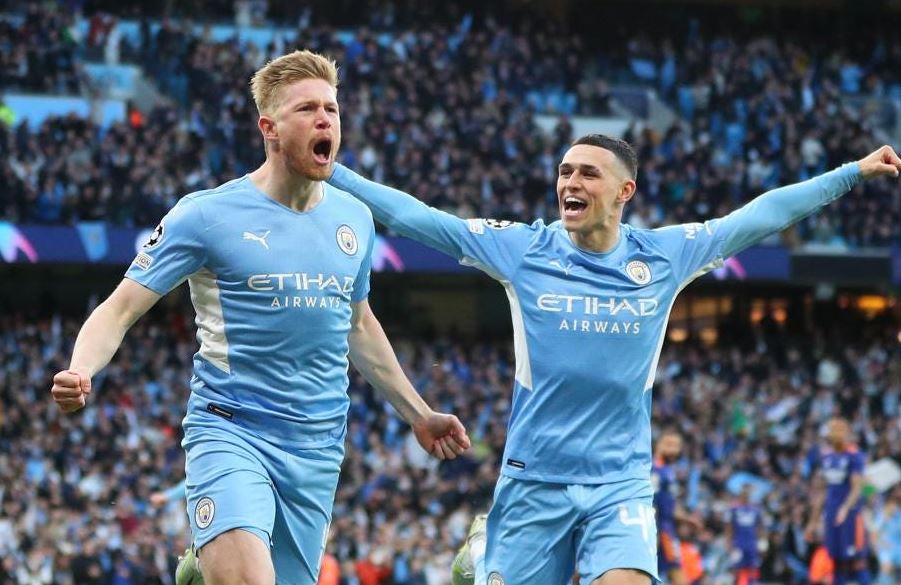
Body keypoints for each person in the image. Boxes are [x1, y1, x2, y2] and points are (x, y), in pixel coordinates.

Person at [327, 134, 901, 585]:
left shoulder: (664, 257)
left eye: (587, 173)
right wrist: (336, 173)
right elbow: (420, 219)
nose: (570, 183)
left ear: (625, 191)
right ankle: (486, 551)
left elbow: (761, 216)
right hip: (534, 480)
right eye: (564, 172)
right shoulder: (524, 248)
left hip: (619, 483)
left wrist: (851, 173)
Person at [50, 49, 470, 585]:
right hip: (231, 429)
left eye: (332, 109)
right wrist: (80, 369)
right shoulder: (206, 215)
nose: (325, 120)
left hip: (318, 446)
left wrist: (418, 413)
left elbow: (358, 324)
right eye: (307, 110)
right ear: (269, 128)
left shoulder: (355, 219)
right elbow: (119, 308)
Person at [806, 417, 872, 585]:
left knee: (857, 562)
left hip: (850, 516)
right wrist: (813, 521)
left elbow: (857, 488)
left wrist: (845, 508)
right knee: (836, 563)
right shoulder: (826, 457)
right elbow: (822, 491)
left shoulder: (854, 456)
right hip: (831, 515)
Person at [652, 431, 702, 585]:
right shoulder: (654, 469)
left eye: (677, 446)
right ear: (659, 445)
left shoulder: (667, 471)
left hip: (666, 527)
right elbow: (652, 503)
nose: (674, 450)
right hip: (662, 530)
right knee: (675, 569)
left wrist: (688, 519)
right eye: (670, 445)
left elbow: (670, 505)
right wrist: (653, 532)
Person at [724, 485, 764, 585]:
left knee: (752, 569)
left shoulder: (756, 510)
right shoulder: (733, 510)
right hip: (738, 544)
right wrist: (728, 544)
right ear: (740, 494)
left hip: (751, 544)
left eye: (748, 494)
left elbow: (760, 528)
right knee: (736, 569)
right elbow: (729, 528)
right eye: (744, 493)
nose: (746, 495)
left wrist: (761, 543)